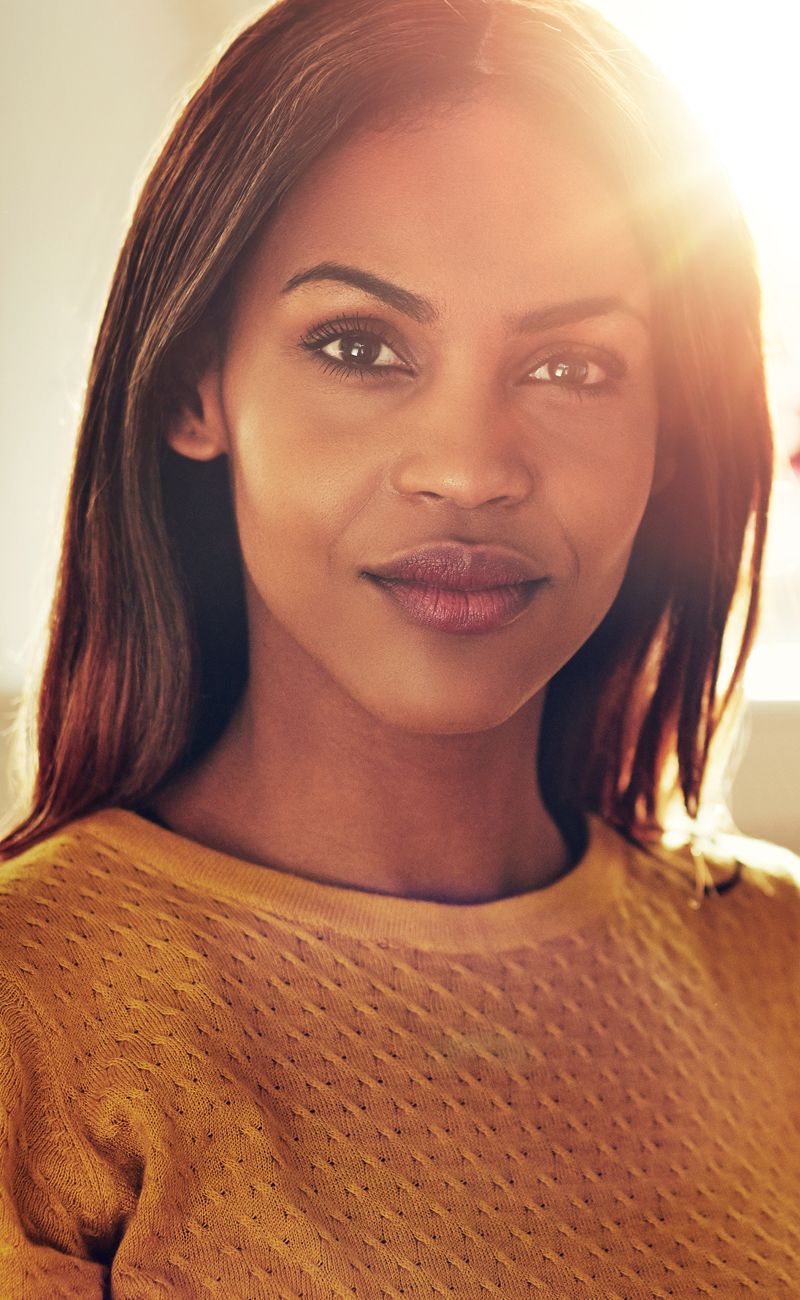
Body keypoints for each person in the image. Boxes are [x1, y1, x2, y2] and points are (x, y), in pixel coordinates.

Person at [0, 0, 798, 1294]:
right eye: (360, 346)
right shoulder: (29, 1015)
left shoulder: (786, 965)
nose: (469, 469)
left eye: (574, 367)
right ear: (199, 382)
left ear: (675, 428)